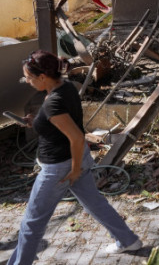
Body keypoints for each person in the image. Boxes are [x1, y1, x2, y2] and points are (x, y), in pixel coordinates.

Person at [8, 50, 141, 264]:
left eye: (29, 78)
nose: (28, 82)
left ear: (42, 77)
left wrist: (75, 170)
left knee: (31, 223)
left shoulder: (53, 102)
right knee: (95, 204)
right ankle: (127, 241)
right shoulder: (65, 87)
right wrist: (37, 121)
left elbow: (77, 138)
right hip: (74, 161)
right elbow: (61, 122)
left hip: (60, 168)